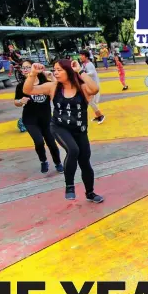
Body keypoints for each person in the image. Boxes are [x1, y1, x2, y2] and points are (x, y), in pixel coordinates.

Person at [23, 59, 104, 203]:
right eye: (55, 70)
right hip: (60, 127)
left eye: (59, 70)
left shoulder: (82, 88)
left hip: (80, 130)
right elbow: (28, 90)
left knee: (85, 161)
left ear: (69, 71)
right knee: (73, 150)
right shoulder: (53, 87)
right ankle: (69, 186)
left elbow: (95, 89)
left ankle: (90, 193)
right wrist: (32, 74)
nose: (56, 73)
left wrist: (80, 71)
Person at [14, 60, 64, 174]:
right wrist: (20, 101)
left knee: (51, 142)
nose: (25, 69)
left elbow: (58, 91)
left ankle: (58, 163)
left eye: (28, 67)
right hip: (30, 120)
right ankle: (43, 161)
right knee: (39, 142)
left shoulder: (45, 82)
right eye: (23, 68)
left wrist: (52, 76)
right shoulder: (21, 86)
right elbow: (16, 102)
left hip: (46, 119)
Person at [79, 50, 105, 124]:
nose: (80, 57)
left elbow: (92, 73)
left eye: (82, 55)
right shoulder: (84, 64)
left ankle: (100, 116)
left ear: (86, 56)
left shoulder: (89, 64)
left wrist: (82, 73)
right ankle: (98, 116)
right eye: (80, 55)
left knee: (91, 101)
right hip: (89, 85)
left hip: (94, 85)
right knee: (91, 101)